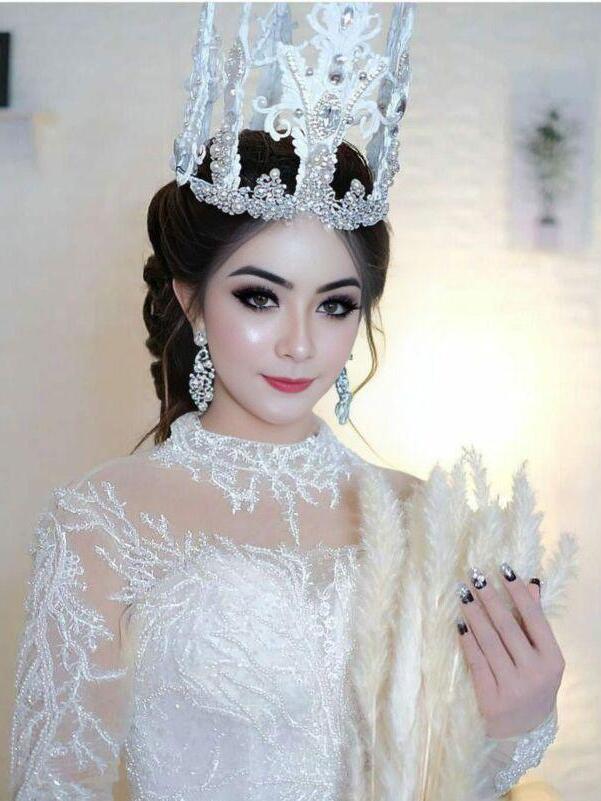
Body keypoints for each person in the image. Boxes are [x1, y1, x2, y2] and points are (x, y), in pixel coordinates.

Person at [9, 4, 575, 800]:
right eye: (259, 296)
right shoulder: (102, 520)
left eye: (334, 305)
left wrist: (516, 721)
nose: (300, 342)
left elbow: (441, 778)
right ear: (193, 301)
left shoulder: (422, 516)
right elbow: (57, 783)